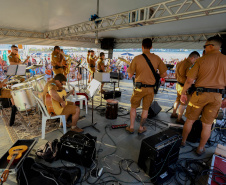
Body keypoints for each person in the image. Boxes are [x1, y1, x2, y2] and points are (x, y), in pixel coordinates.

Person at [180, 36, 226, 155]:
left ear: (211, 46)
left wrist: (183, 93)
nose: (204, 48)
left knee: (190, 120)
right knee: (207, 125)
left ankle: (183, 142)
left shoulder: (201, 60)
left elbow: (189, 80)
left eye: (204, 46)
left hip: (200, 94)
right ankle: (200, 148)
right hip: (217, 97)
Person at [126, 38, 167, 134]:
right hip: (150, 89)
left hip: (138, 88)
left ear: (142, 47)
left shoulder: (136, 58)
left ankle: (131, 127)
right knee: (145, 109)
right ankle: (141, 128)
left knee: (133, 107)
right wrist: (156, 76)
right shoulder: (157, 58)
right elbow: (164, 74)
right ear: (151, 47)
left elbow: (130, 75)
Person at [171, 51, 200, 124]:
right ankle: (179, 118)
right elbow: (189, 78)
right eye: (196, 59)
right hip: (185, 87)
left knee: (177, 99)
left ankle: (174, 113)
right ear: (193, 58)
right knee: (184, 103)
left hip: (178, 85)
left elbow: (175, 75)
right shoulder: (190, 65)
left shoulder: (179, 63)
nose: (196, 61)